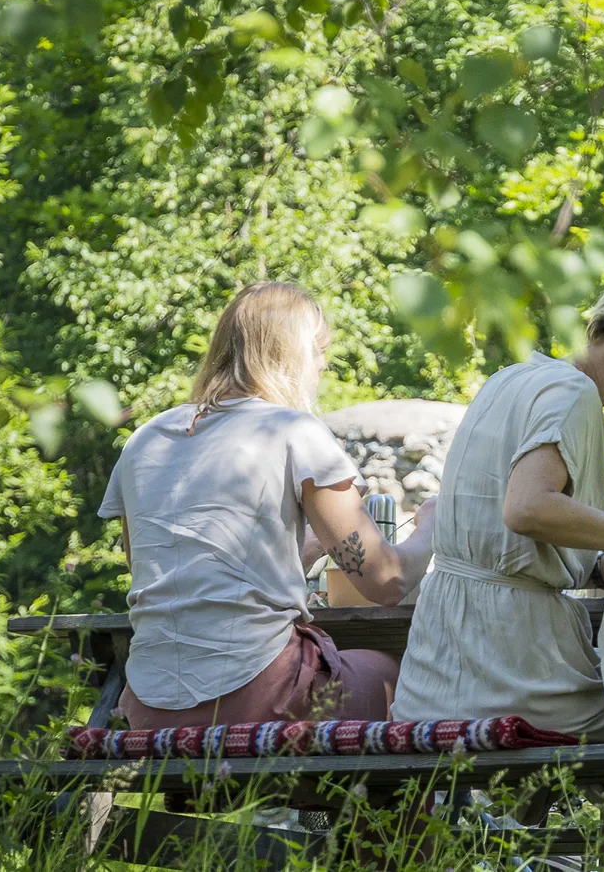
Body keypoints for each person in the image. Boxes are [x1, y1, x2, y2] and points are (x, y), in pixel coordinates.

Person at [391, 259, 604, 740]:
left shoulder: (512, 377)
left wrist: (600, 567)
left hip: (435, 665)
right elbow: (527, 508)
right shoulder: (574, 393)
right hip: (511, 666)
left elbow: (498, 533)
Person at [99, 282, 437, 729]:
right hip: (257, 699)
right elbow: (387, 581)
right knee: (395, 674)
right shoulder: (291, 430)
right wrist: (433, 528)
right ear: (292, 353)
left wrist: (303, 551)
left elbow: (168, 571)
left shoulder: (146, 439)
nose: (323, 364)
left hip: (150, 709)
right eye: (318, 349)